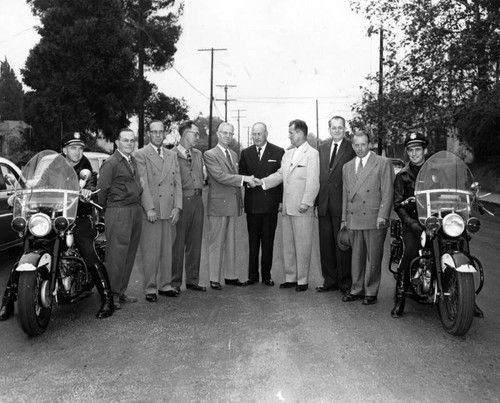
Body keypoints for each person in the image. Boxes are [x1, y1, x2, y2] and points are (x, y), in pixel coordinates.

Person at [0, 132, 114, 321]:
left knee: (88, 251)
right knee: (27, 248)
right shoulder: (53, 168)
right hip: (53, 217)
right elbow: (40, 187)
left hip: (78, 217)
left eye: (80, 148)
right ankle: (8, 302)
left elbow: (92, 188)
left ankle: (107, 299)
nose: (77, 152)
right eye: (72, 148)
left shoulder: (86, 170)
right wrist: (20, 195)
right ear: (64, 150)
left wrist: (88, 191)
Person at [391, 133, 484, 318]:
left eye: (418, 149)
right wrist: (413, 224)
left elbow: (450, 191)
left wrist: (466, 199)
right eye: (410, 150)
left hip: (437, 220)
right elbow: (397, 205)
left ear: (425, 150)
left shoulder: (437, 172)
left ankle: (468, 297)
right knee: (410, 251)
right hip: (415, 223)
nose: (414, 153)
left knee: (462, 242)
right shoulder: (403, 176)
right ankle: (400, 297)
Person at [259, 119, 320, 292]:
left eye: (291, 132)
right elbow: (280, 175)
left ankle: (303, 280)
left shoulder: (312, 154)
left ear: (300, 133)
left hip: (302, 207)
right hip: (287, 207)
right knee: (289, 245)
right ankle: (291, 277)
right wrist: (261, 182)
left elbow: (313, 181)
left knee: (303, 245)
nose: (289, 135)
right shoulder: (287, 154)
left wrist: (306, 202)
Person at [341, 131, 394, 305]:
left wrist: (383, 215)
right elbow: (345, 195)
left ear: (369, 144)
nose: (360, 148)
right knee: (356, 257)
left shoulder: (382, 162)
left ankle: (371, 291)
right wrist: (344, 219)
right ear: (352, 146)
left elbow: (388, 192)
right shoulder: (347, 166)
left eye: (363, 144)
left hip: (374, 218)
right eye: (356, 145)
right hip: (354, 218)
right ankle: (356, 289)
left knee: (373, 257)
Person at [203, 122, 257, 290]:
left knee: (232, 242)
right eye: (224, 133)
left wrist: (240, 202)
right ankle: (214, 278)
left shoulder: (233, 154)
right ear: (218, 134)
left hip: (232, 204)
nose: (227, 136)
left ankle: (231, 276)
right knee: (217, 242)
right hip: (218, 205)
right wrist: (244, 179)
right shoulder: (210, 154)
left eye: (230, 133)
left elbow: (232, 179)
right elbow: (220, 176)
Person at [135, 121, 182, 301]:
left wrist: (178, 206)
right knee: (150, 251)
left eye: (161, 132)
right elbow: (143, 183)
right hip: (152, 210)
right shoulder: (141, 154)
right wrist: (149, 208)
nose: (157, 135)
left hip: (169, 209)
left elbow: (177, 182)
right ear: (148, 134)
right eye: (154, 132)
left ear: (165, 134)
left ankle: (165, 284)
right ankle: (150, 288)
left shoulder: (172, 155)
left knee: (167, 250)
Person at [97, 128, 143, 309]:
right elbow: (101, 191)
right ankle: (112, 295)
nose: (129, 143)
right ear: (117, 142)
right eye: (125, 140)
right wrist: (104, 212)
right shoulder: (111, 163)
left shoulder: (132, 160)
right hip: (118, 211)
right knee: (116, 254)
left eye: (132, 140)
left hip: (134, 210)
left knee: (129, 253)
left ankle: (121, 290)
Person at [239, 122, 285, 286]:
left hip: (270, 204)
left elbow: (281, 179)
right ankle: (252, 276)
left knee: (268, 242)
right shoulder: (245, 153)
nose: (256, 137)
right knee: (252, 242)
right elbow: (241, 177)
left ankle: (267, 276)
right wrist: (247, 183)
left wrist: (280, 201)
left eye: (259, 134)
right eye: (254, 134)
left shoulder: (279, 152)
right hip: (252, 205)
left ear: (266, 133)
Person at [316, 116, 356, 294]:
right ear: (329, 129)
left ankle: (345, 283)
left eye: (340, 127)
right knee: (326, 246)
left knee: (342, 245)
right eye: (334, 127)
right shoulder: (322, 148)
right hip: (324, 203)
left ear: (344, 128)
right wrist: (317, 203)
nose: (337, 130)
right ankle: (329, 281)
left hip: (342, 204)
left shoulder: (351, 148)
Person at [171, 121, 206, 292]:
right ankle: (175, 282)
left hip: (198, 201)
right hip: (181, 201)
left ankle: (193, 279)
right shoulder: (171, 154)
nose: (197, 137)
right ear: (185, 134)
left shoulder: (198, 154)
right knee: (178, 243)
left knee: (195, 242)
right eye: (195, 134)